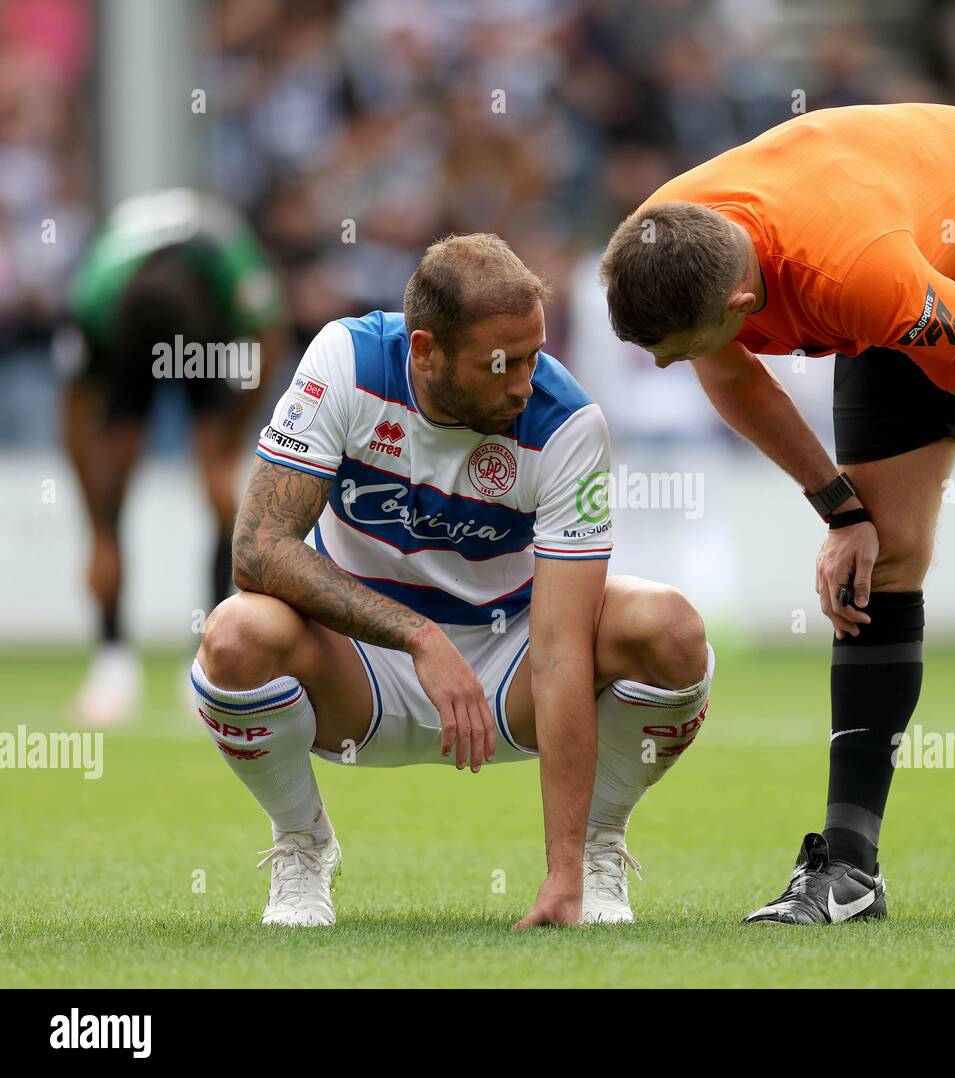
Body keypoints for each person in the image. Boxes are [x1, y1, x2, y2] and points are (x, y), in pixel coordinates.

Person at [599, 102, 955, 927]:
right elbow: (728, 373)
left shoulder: (853, 278)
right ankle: (848, 870)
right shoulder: (668, 241)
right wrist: (839, 508)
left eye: (674, 344)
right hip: (900, 229)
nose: (659, 364)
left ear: (743, 296)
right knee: (884, 558)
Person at [193, 233, 713, 928]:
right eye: (501, 364)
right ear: (425, 351)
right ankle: (303, 845)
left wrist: (561, 877)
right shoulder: (346, 362)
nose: (524, 383)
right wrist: (417, 635)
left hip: (513, 666)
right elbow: (257, 550)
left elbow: (560, 650)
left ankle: (596, 849)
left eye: (535, 355)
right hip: (359, 663)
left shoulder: (569, 425)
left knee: (671, 631)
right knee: (232, 636)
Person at [63, 188, 286, 726]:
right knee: (108, 493)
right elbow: (74, 407)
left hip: (205, 334)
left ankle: (210, 653)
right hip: (131, 336)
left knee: (217, 490)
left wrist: (233, 432)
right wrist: (95, 515)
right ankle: (112, 660)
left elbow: (270, 341)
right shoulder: (95, 298)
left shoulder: (235, 276)